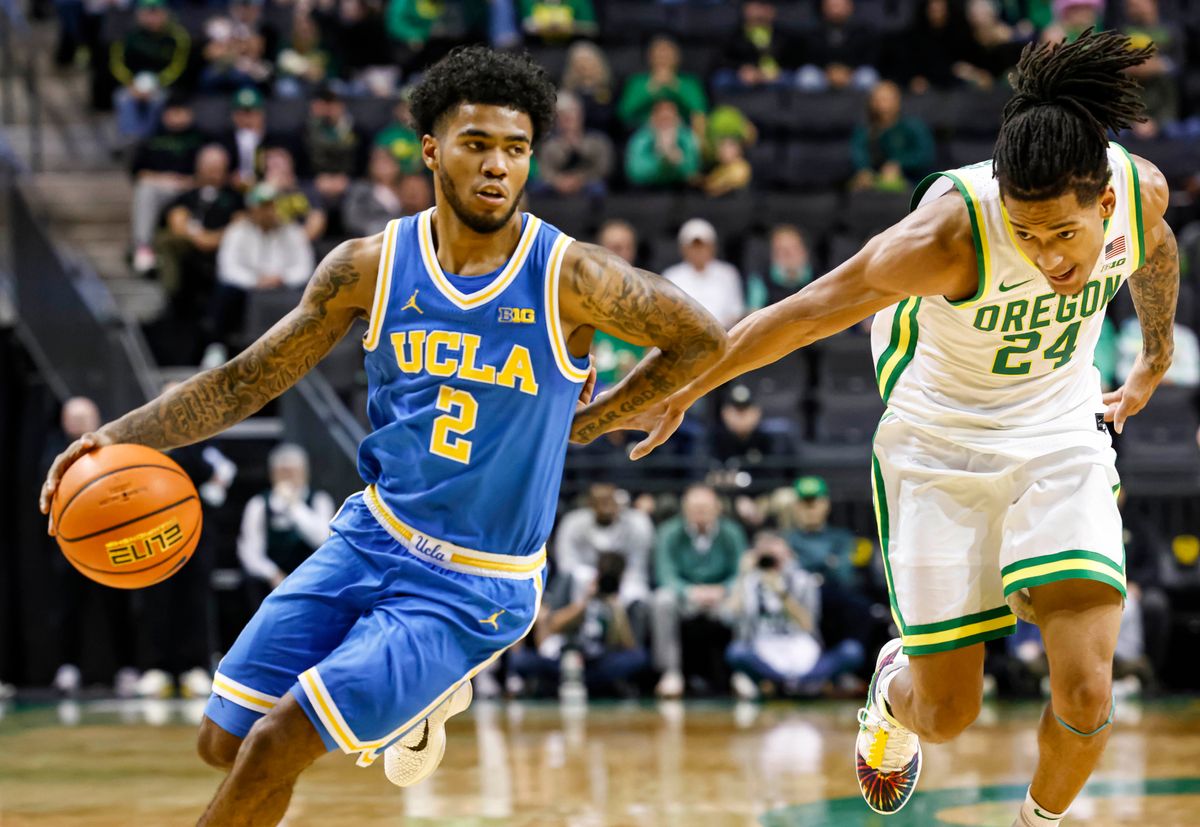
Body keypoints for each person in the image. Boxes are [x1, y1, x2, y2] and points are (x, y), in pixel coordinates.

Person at [40, 46, 724, 826]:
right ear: (430, 150)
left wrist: (587, 423)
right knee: (222, 743)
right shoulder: (368, 266)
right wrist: (113, 438)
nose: (498, 165)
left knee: (276, 743)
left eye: (516, 148)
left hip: (475, 579)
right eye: (476, 144)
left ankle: (427, 681)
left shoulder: (570, 276)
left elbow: (701, 338)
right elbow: (246, 378)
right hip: (373, 533)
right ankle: (419, 702)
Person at [620, 32, 1179, 824]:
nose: (1047, 257)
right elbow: (805, 313)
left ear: (1106, 204)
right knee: (947, 713)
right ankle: (890, 692)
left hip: (1059, 429)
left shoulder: (1140, 192)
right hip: (939, 439)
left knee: (1088, 692)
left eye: (1064, 234)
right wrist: (688, 385)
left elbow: (1157, 252)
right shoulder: (949, 235)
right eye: (1026, 233)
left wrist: (1155, 354)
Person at [726, 532, 863, 699]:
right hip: (764, 648)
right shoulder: (749, 582)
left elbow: (808, 625)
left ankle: (786, 685)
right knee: (736, 652)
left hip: (801, 648)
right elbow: (728, 616)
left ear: (788, 555)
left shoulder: (802, 580)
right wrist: (742, 575)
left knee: (851, 651)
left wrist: (781, 594)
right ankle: (800, 685)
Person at [652, 484, 747, 698]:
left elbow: (741, 572)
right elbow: (665, 574)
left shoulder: (732, 532)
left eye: (705, 508)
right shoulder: (668, 532)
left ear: (717, 508)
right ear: (684, 510)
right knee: (661, 600)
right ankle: (670, 672)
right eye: (695, 508)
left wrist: (723, 590)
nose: (700, 513)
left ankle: (742, 672)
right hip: (685, 596)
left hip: (721, 597)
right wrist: (689, 592)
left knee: (745, 598)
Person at [207, 183, 315, 353]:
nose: (269, 211)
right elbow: (228, 268)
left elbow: (304, 267)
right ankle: (217, 346)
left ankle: (304, 348)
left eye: (273, 205)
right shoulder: (237, 231)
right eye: (264, 206)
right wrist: (255, 281)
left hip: (284, 287)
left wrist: (282, 278)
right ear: (253, 209)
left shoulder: (293, 231)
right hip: (248, 288)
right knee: (225, 293)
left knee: (310, 295)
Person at [238, 444, 336, 591]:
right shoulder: (258, 504)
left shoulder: (320, 500)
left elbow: (322, 539)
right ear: (272, 474)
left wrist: (293, 505)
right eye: (282, 473)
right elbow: (249, 551)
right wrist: (272, 574)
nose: (288, 477)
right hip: (271, 581)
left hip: (312, 578)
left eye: (293, 472)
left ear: (304, 473)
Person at [128, 96, 207, 274]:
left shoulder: (201, 138)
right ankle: (143, 247)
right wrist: (164, 178)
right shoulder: (153, 138)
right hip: (162, 187)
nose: (177, 116)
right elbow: (137, 172)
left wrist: (190, 181)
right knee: (145, 190)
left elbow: (214, 168)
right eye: (173, 112)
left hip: (193, 187)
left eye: (181, 112)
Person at [553, 481, 654, 606]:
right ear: (590, 503)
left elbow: (637, 566)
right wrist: (594, 581)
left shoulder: (637, 523)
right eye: (600, 501)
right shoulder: (573, 523)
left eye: (609, 500)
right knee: (577, 585)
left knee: (635, 594)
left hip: (626, 581)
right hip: (584, 581)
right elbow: (566, 564)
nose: (606, 506)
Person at [109, 0, 191, 145]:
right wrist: (131, 84)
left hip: (163, 85)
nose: (152, 19)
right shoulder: (127, 34)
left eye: (156, 14)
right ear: (139, 15)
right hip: (133, 84)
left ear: (165, 14)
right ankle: (129, 139)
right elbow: (117, 63)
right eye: (148, 14)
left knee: (157, 101)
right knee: (122, 98)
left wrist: (157, 84)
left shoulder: (178, 36)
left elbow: (178, 67)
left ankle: (147, 141)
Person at [849, 80, 936, 193]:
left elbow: (925, 155)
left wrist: (899, 164)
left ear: (897, 101)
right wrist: (864, 170)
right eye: (877, 100)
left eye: (886, 99)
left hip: (912, 182)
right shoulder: (864, 129)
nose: (882, 105)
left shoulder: (913, 126)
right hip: (874, 183)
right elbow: (858, 153)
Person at [662, 218, 744, 329]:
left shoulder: (728, 274)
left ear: (712, 247)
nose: (698, 251)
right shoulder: (671, 276)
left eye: (702, 246)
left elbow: (736, 312)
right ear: (683, 249)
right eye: (693, 247)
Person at [534, 91, 614, 198]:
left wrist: (580, 179)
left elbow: (603, 168)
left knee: (598, 188)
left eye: (571, 113)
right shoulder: (548, 145)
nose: (567, 118)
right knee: (538, 188)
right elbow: (543, 171)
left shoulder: (597, 141)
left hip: (588, 182)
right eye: (562, 114)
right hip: (556, 185)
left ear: (580, 114)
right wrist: (558, 181)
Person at [624, 99, 701, 190]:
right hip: (647, 191)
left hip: (681, 190)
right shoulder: (641, 139)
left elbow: (694, 169)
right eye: (662, 119)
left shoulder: (687, 138)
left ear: (677, 119)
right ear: (653, 119)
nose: (666, 124)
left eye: (669, 119)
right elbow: (635, 172)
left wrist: (678, 163)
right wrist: (661, 163)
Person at [745, 225, 813, 311]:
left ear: (804, 251)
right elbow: (753, 313)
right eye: (781, 250)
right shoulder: (760, 280)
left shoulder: (820, 276)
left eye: (794, 248)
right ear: (772, 254)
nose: (788, 254)